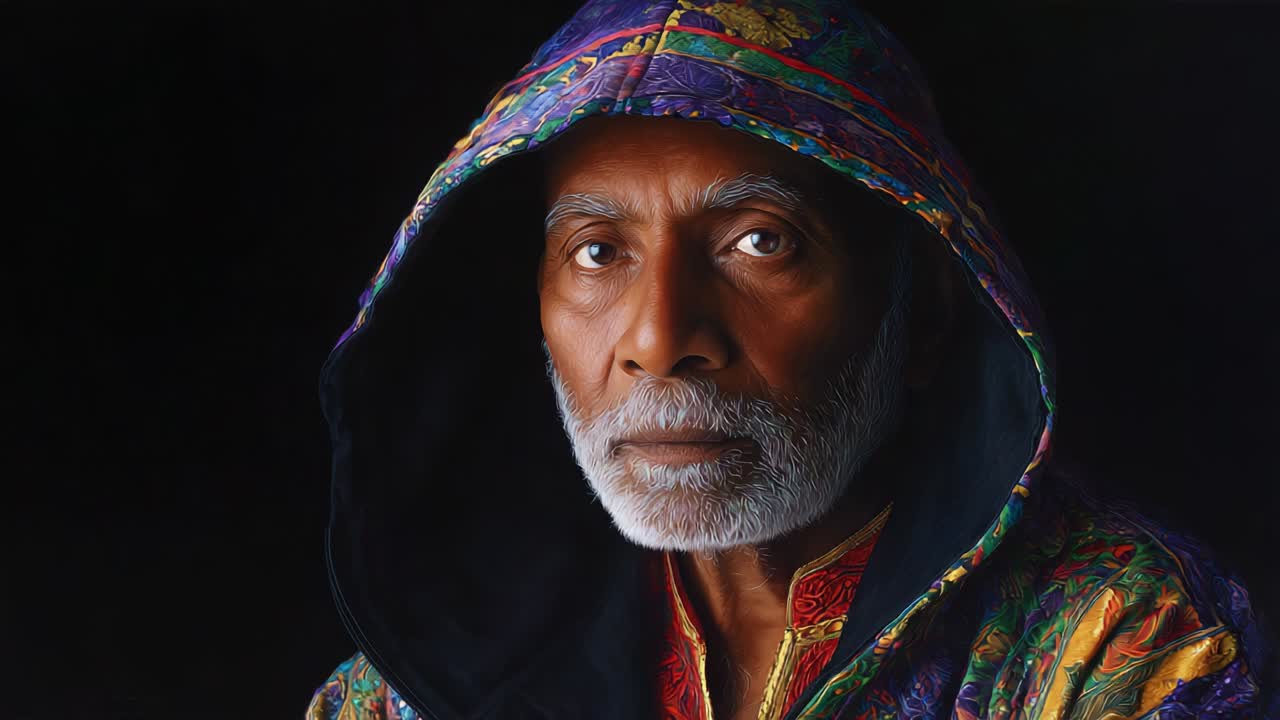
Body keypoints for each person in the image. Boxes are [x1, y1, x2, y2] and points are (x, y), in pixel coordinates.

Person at [306, 1, 1269, 718]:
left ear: (923, 316)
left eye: (761, 241)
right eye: (598, 253)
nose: (658, 340)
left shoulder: (1119, 648)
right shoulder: (420, 685)